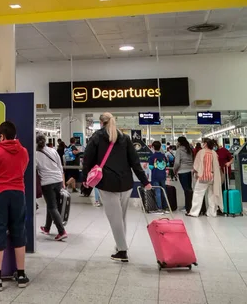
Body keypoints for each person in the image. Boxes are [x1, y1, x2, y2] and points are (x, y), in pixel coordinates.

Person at [83, 112, 151, 263]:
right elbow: (135, 162)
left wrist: (85, 178)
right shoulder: (125, 138)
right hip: (126, 183)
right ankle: (120, 244)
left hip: (107, 183)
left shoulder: (97, 137)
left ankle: (122, 251)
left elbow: (87, 159)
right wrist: (144, 181)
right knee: (121, 217)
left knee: (114, 218)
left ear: (101, 123)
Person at [0, 121, 30, 291]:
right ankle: (21, 275)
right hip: (18, 194)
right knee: (19, 230)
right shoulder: (23, 151)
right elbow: (23, 169)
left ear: (1, 135)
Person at [35, 134, 68, 241]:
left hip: (47, 183)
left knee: (52, 207)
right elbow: (60, 166)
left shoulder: (36, 154)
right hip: (58, 180)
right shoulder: (53, 150)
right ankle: (47, 227)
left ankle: (61, 231)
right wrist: (63, 182)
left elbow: (35, 170)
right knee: (53, 206)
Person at [187, 139, 222, 218]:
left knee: (198, 194)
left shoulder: (201, 152)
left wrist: (195, 172)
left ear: (205, 144)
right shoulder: (214, 153)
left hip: (203, 176)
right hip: (213, 177)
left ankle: (194, 212)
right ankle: (212, 213)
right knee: (212, 195)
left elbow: (196, 165)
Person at [174, 136, 194, 213]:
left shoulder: (179, 150)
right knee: (189, 189)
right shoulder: (189, 149)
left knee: (186, 190)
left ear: (179, 142)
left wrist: (174, 170)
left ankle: (188, 207)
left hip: (182, 171)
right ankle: (190, 205)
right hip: (190, 171)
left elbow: (177, 162)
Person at [148, 141, 168, 211]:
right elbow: (167, 165)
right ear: (160, 147)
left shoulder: (152, 157)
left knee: (157, 191)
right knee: (164, 191)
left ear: (153, 147)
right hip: (163, 176)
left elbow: (150, 167)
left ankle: (159, 208)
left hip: (155, 176)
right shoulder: (163, 156)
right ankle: (165, 206)